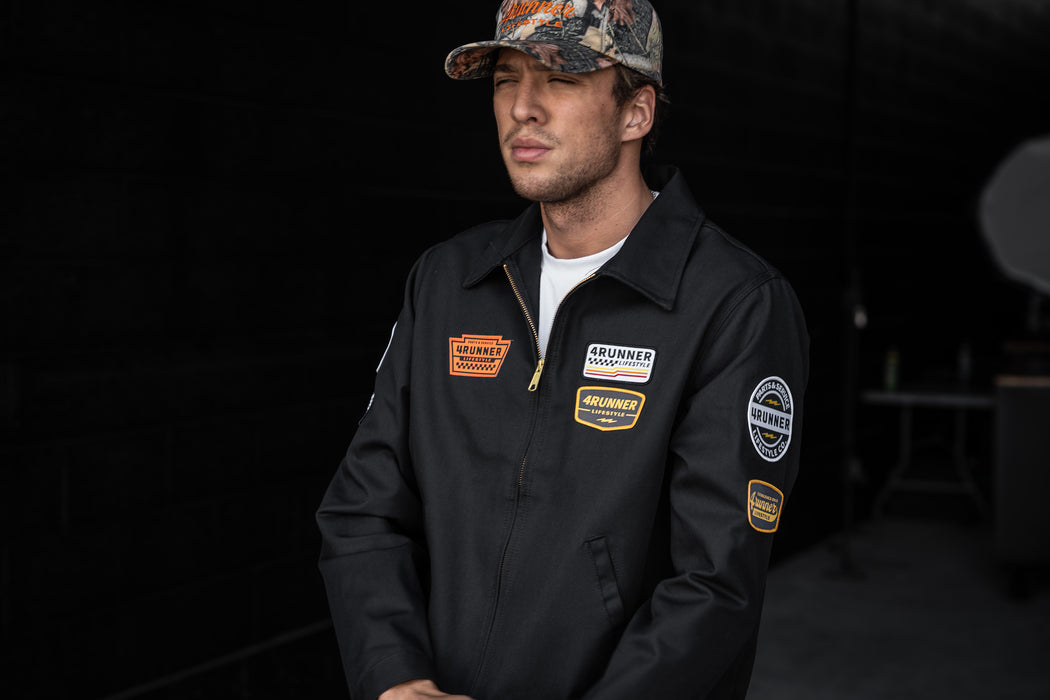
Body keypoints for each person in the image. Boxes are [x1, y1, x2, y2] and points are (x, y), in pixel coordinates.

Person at [316, 1, 809, 698]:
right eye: (505, 81)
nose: (522, 108)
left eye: (561, 78)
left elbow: (713, 583)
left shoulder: (733, 304)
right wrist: (395, 678)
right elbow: (362, 510)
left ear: (636, 113)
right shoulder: (448, 282)